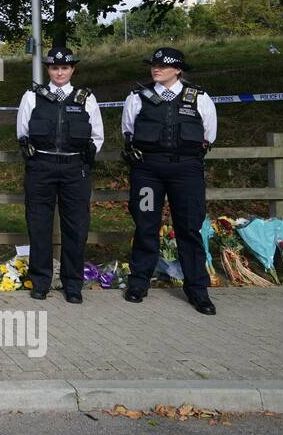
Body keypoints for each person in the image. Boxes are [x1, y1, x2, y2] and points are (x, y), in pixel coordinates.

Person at [120, 47, 218, 315]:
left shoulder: (199, 98)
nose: (156, 68)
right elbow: (128, 131)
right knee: (146, 224)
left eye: (163, 65)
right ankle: (138, 283)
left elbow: (209, 134)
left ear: (178, 70)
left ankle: (197, 290)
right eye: (153, 64)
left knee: (189, 228)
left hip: (186, 171)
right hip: (148, 171)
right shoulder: (137, 98)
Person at [16, 46, 105, 303]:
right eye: (55, 67)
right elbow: (23, 132)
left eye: (65, 67)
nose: (60, 72)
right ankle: (41, 281)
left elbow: (97, 136)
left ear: (72, 69)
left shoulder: (86, 98)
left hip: (74, 169)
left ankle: (73, 284)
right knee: (39, 225)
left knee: (76, 228)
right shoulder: (32, 96)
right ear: (48, 70)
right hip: (40, 167)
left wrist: (83, 158)